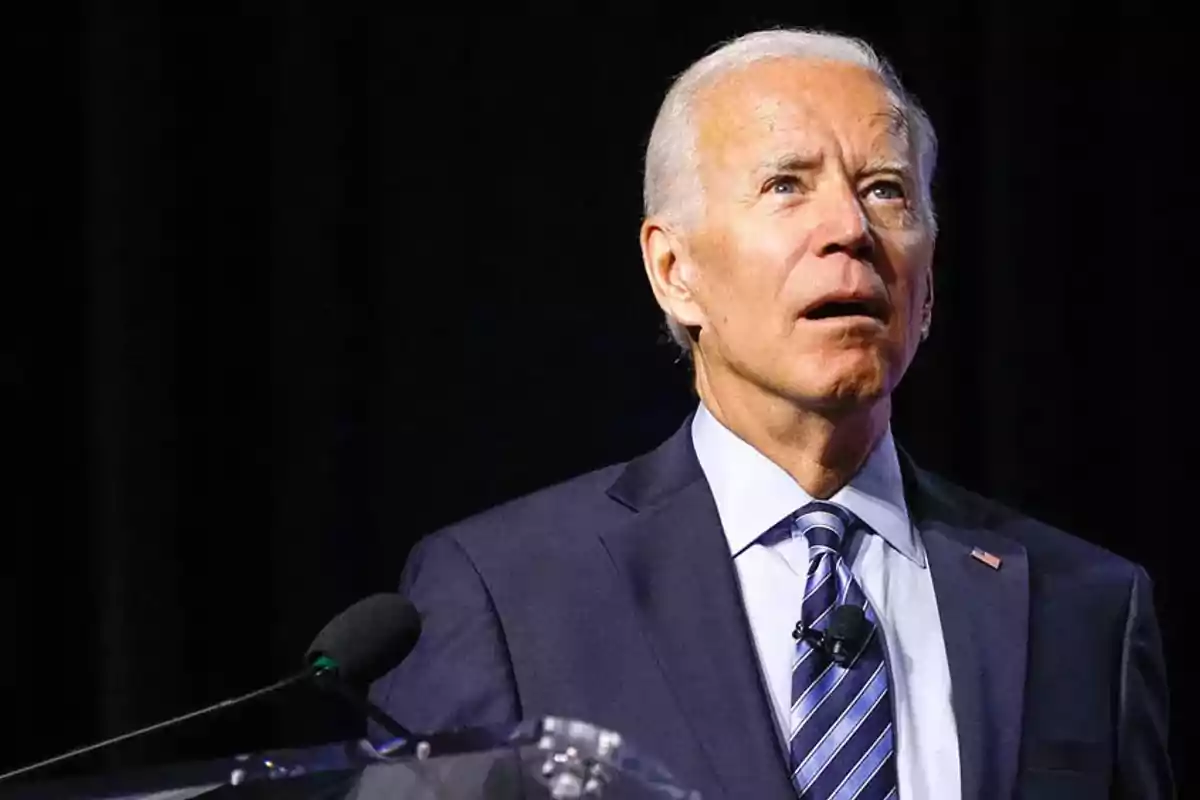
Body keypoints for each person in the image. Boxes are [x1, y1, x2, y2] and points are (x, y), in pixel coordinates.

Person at [369, 28, 1173, 799]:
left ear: (927, 289)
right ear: (674, 270)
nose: (851, 231)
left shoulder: (1086, 605)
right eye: (786, 185)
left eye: (884, 190)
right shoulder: (507, 596)